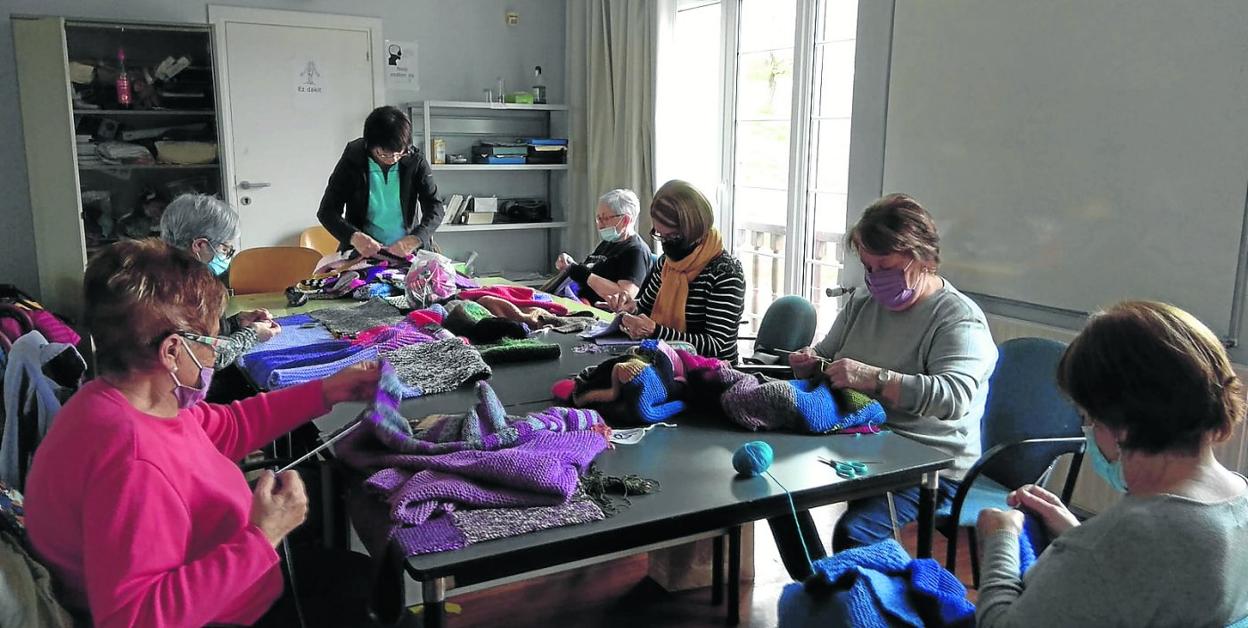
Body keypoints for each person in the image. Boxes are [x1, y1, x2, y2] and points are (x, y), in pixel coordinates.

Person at [23, 239, 381, 627]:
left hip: (230, 568)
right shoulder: (131, 460)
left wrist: (327, 390)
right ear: (173, 351)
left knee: (361, 575)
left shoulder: (122, 400)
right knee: (370, 590)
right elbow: (135, 618)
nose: (216, 354)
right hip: (228, 612)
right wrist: (263, 536)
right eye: (212, 341)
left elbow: (227, 427)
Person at [976, 301, 1248, 627]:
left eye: (1087, 417)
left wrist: (1001, 541)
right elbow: (1150, 575)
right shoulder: (1238, 502)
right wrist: (1076, 535)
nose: (1087, 429)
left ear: (1121, 427)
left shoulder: (1111, 547)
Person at [779, 193, 997, 573]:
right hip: (866, 442)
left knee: (856, 535)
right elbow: (827, 354)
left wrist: (872, 378)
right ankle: (825, 590)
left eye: (886, 267)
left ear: (924, 258)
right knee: (778, 494)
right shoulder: (864, 303)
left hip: (929, 463)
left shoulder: (958, 319)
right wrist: (808, 363)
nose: (874, 278)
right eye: (867, 267)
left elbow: (954, 398)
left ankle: (868, 605)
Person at [603, 180, 745, 362]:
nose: (666, 244)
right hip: (664, 362)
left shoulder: (725, 272)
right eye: (660, 235)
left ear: (694, 229)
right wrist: (629, 308)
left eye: (673, 236)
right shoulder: (667, 263)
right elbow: (645, 308)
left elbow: (716, 345)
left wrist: (656, 332)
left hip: (710, 373)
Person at [159, 193, 281, 367]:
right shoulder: (180, 289)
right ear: (200, 246)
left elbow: (197, 334)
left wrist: (236, 323)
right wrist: (252, 334)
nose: (227, 256)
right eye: (226, 249)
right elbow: (206, 356)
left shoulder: (166, 271)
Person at [317, 105, 444, 258]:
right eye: (383, 155)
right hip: (363, 253)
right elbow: (327, 211)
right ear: (369, 145)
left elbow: (435, 207)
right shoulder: (353, 158)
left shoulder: (414, 160)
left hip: (407, 252)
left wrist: (416, 238)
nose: (393, 160)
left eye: (399, 154)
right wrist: (354, 237)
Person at [554, 188, 653, 303]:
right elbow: (587, 271)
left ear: (625, 220)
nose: (600, 225)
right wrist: (570, 266)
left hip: (598, 312)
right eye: (598, 218)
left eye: (605, 218)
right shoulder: (607, 243)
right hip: (578, 301)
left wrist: (584, 275)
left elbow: (624, 297)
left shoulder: (636, 251)